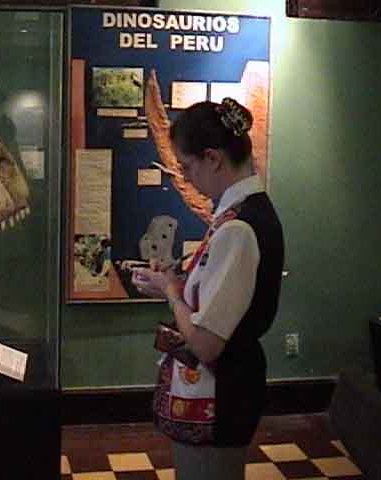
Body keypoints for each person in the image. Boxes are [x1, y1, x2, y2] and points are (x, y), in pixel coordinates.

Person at [132, 98, 284, 480]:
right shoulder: (243, 214)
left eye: (187, 166)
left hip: (222, 392)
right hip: (228, 385)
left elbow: (205, 343)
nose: (185, 177)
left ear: (213, 158)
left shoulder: (238, 228)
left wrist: (170, 290)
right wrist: (175, 284)